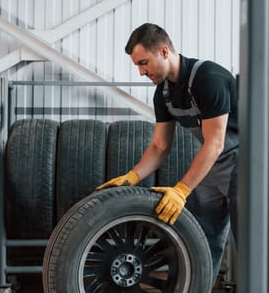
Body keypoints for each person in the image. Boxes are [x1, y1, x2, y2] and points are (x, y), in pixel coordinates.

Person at [95, 23, 238, 282]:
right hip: (210, 164)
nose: (140, 72)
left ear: (163, 51)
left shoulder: (208, 78)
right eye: (137, 65)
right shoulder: (163, 94)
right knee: (205, 238)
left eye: (143, 62)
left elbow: (216, 143)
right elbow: (160, 146)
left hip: (242, 163)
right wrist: (132, 177)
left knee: (249, 240)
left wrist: (181, 190)